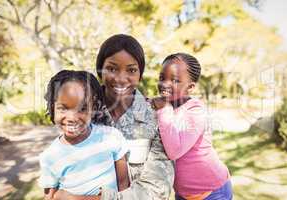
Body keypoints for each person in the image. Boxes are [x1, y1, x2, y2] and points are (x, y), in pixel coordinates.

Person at [54, 34, 174, 200]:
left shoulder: (156, 117)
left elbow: (157, 189)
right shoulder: (81, 113)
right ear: (99, 71)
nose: (120, 78)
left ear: (140, 74)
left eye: (131, 70)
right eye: (112, 68)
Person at [151, 53, 233, 200]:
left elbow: (174, 151)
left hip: (212, 192)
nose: (165, 84)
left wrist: (163, 109)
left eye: (175, 80)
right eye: (162, 78)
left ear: (190, 87)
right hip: (182, 194)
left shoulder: (195, 111)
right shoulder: (163, 105)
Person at [39, 70, 129, 199]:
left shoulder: (111, 137)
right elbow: (50, 197)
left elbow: (124, 187)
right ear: (52, 108)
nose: (72, 117)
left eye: (82, 109)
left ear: (94, 108)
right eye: (63, 108)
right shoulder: (50, 157)